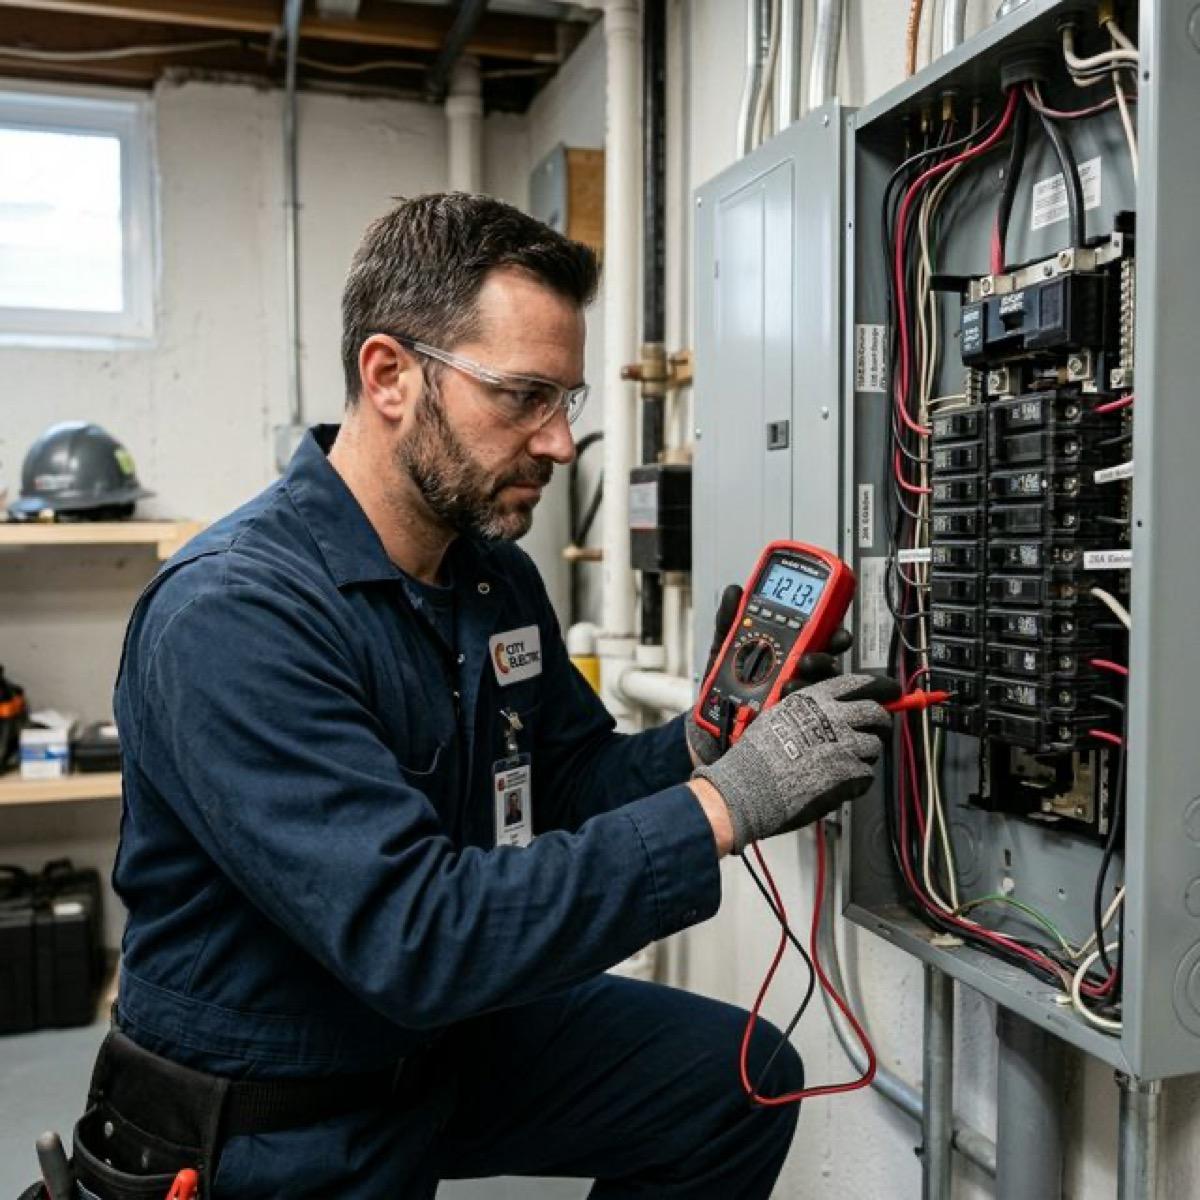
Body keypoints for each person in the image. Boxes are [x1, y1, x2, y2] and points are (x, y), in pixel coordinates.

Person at [80, 194, 897, 1199]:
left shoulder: (490, 577)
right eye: (522, 396)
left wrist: (712, 742)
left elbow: (570, 779)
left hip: (423, 1049)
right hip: (264, 1117)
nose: (559, 443)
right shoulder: (233, 614)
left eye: (568, 400)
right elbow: (414, 936)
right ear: (389, 376)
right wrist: (729, 806)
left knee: (734, 1083)